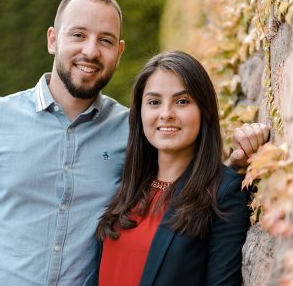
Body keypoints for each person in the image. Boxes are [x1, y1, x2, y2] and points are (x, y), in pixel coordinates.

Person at [0, 0, 268, 285]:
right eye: (78, 35)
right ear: (53, 39)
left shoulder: (134, 130)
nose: (90, 51)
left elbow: (184, 178)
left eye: (105, 40)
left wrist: (235, 166)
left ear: (119, 52)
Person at [97, 51, 250, 286]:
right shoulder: (126, 184)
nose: (166, 114)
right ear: (139, 113)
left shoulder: (225, 193)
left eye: (182, 101)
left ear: (204, 110)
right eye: (154, 102)